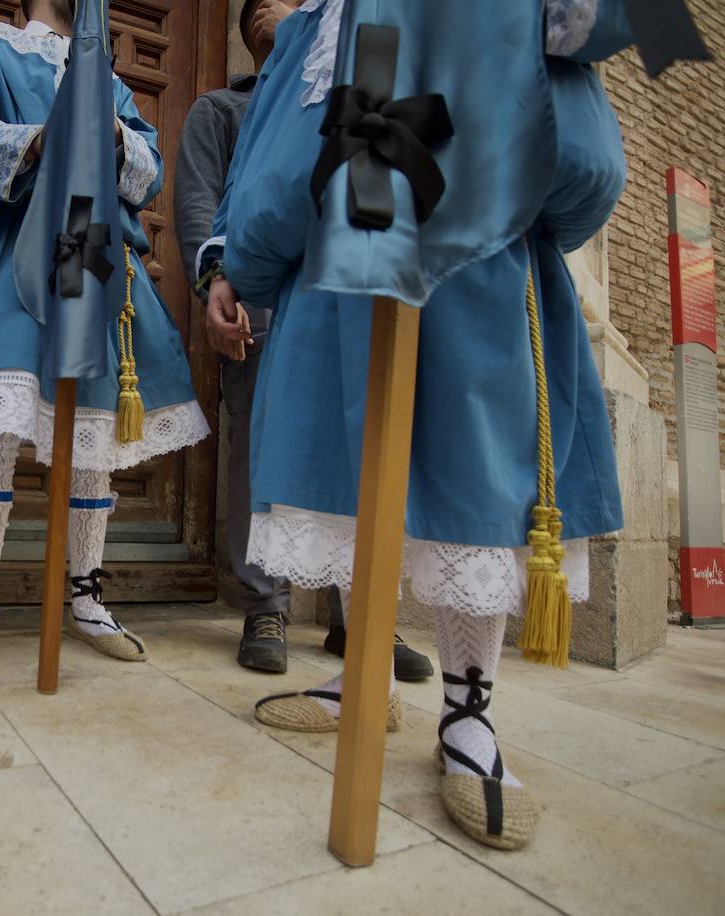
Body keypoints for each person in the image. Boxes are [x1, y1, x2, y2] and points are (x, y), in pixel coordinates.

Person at [204, 0, 634, 848]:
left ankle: (467, 714)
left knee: (470, 487)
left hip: (472, 261)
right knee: (356, 486)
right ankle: (363, 672)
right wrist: (238, 260)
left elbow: (579, 157)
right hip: (344, 272)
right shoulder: (314, 27)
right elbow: (277, 165)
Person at [0, 0, 209, 668]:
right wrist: (37, 139)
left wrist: (116, 136)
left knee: (90, 419)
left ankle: (84, 593)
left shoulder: (107, 74)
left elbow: (148, 171)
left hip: (89, 252)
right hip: (8, 250)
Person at [174, 1, 433, 678]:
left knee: (360, 439)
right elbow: (202, 205)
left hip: (347, 285)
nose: (271, 9)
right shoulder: (220, 110)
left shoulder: (354, 63)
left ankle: (360, 613)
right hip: (257, 297)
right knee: (262, 450)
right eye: (257, 5)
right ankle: (266, 605)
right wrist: (216, 288)